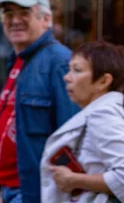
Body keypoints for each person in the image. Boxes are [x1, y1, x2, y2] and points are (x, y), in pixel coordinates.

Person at [0, 0, 80, 203]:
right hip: (9, 189)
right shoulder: (18, 60)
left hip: (34, 192)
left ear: (46, 19)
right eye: (8, 14)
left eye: (24, 13)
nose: (14, 20)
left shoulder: (59, 62)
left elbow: (71, 135)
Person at [41, 41, 124, 203]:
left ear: (103, 81)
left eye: (77, 71)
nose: (67, 77)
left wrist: (74, 180)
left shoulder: (102, 115)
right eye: (69, 69)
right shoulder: (103, 111)